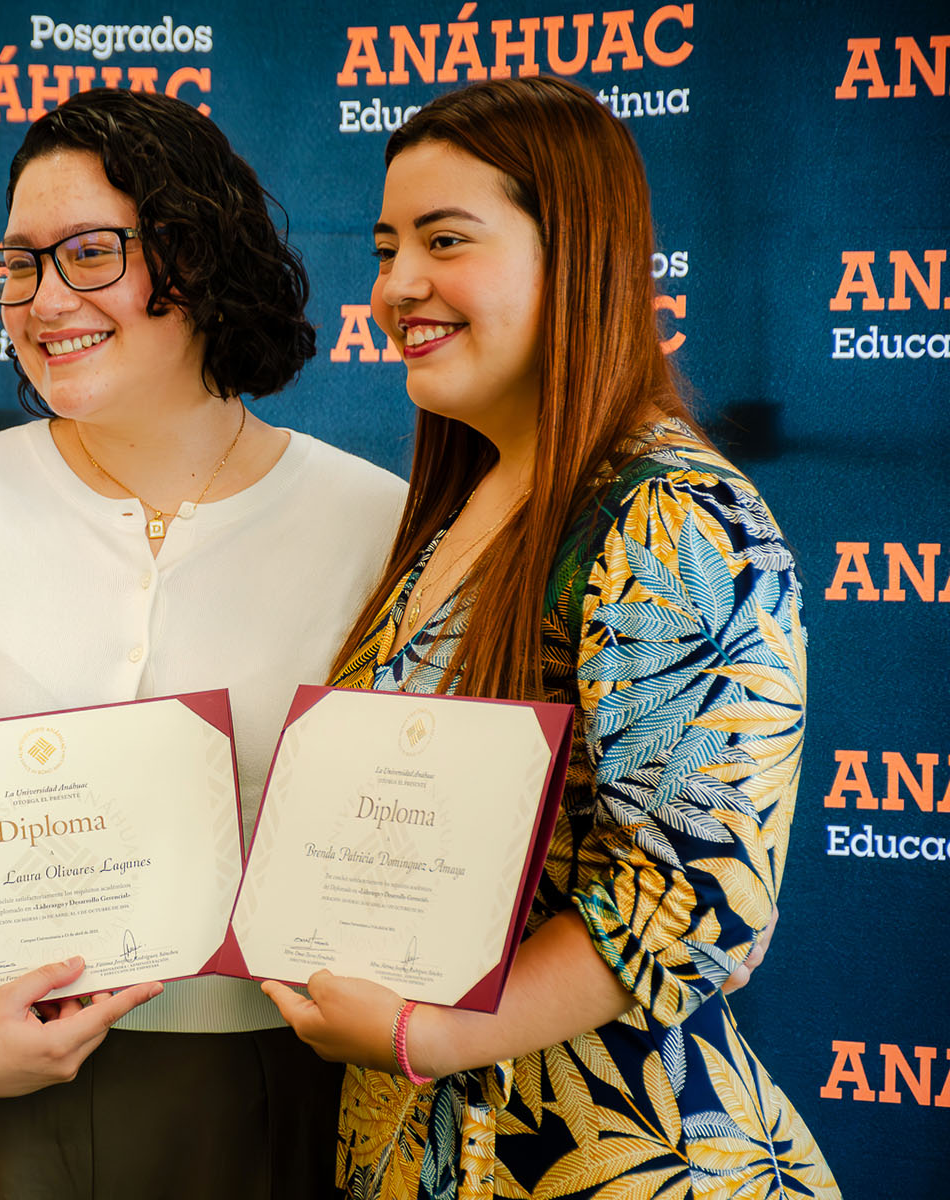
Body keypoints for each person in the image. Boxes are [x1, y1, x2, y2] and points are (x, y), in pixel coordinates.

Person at [0, 89, 408, 1198]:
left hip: (257, 1092)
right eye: (17, 266)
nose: (44, 300)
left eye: (90, 254)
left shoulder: (372, 521)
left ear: (198, 254)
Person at [260, 77, 841, 1199]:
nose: (396, 287)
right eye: (386, 248)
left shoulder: (670, 518)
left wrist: (425, 1037)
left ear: (575, 255)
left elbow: (699, 895)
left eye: (445, 240)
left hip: (611, 1160)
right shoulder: (455, 507)